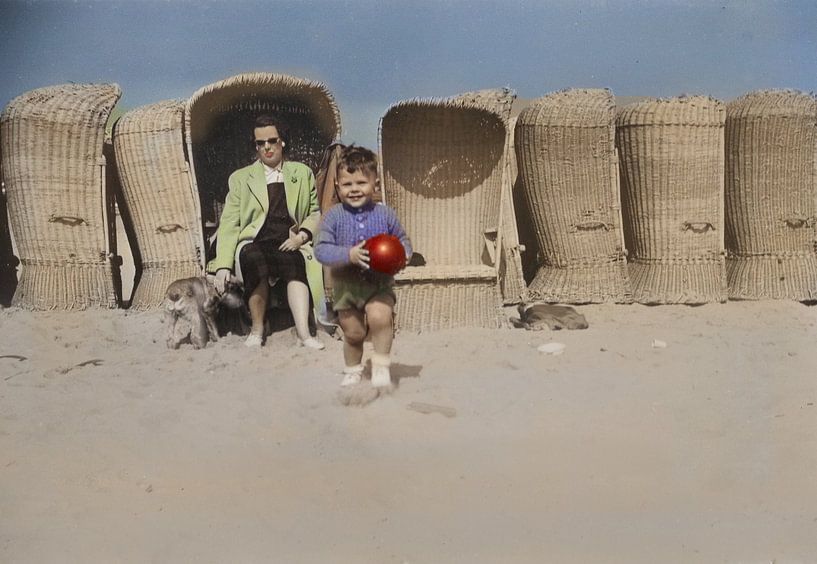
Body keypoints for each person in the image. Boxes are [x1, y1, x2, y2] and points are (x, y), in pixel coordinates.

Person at [207, 114, 326, 349]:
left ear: (283, 141)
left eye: (272, 141)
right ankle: (257, 329)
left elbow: (314, 213)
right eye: (260, 143)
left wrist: (301, 236)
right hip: (255, 240)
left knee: (295, 263)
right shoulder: (241, 178)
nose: (267, 147)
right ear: (255, 146)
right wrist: (223, 265)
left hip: (288, 240)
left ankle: (304, 334)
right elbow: (229, 223)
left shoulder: (302, 173)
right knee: (254, 258)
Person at [314, 145, 412, 387]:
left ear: (375, 184)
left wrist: (404, 254)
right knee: (353, 333)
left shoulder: (385, 214)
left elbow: (402, 239)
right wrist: (348, 254)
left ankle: (381, 366)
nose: (354, 189)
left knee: (381, 317)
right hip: (346, 288)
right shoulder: (333, 216)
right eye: (347, 184)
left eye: (361, 182)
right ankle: (352, 369)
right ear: (337, 186)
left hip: (379, 284)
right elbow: (321, 250)